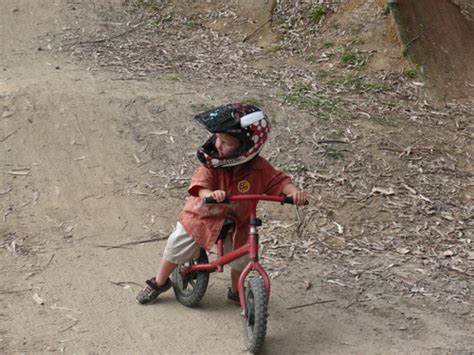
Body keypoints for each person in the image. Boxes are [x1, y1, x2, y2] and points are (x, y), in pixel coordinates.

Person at [136, 103, 306, 305]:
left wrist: (293, 192)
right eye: (218, 139)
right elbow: (200, 184)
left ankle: (236, 290)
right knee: (177, 244)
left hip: (238, 220)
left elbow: (278, 181)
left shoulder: (259, 167)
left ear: (246, 146)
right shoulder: (213, 164)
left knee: (242, 256)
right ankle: (159, 281)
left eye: (226, 142)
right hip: (204, 216)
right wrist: (209, 193)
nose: (218, 145)